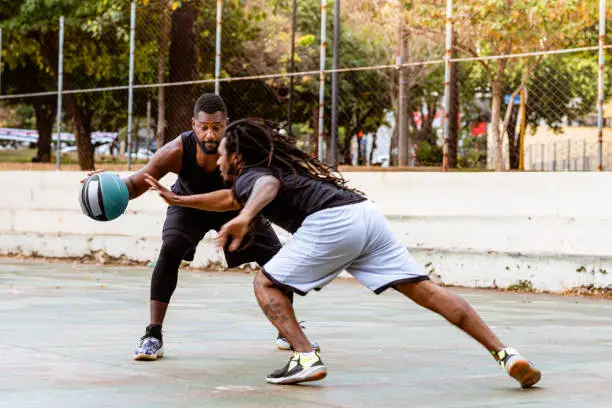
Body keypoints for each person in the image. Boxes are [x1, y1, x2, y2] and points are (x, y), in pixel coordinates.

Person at [146, 118, 542, 388]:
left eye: (222, 153)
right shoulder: (266, 172)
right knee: (427, 290)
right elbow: (225, 198)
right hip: (365, 215)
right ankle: (506, 354)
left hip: (331, 223)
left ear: (237, 155)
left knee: (265, 282)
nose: (216, 159)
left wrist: (246, 217)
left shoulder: (256, 175)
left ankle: (304, 356)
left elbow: (259, 190)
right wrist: (178, 199)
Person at [121, 95, 314, 361]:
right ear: (193, 124)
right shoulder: (177, 149)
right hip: (188, 209)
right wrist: (109, 184)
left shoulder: (242, 151)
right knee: (171, 248)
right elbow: (137, 182)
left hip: (232, 209)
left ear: (227, 124)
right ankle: (153, 334)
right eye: (203, 127)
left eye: (216, 127)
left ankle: (287, 332)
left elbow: (234, 198)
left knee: (276, 258)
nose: (210, 134)